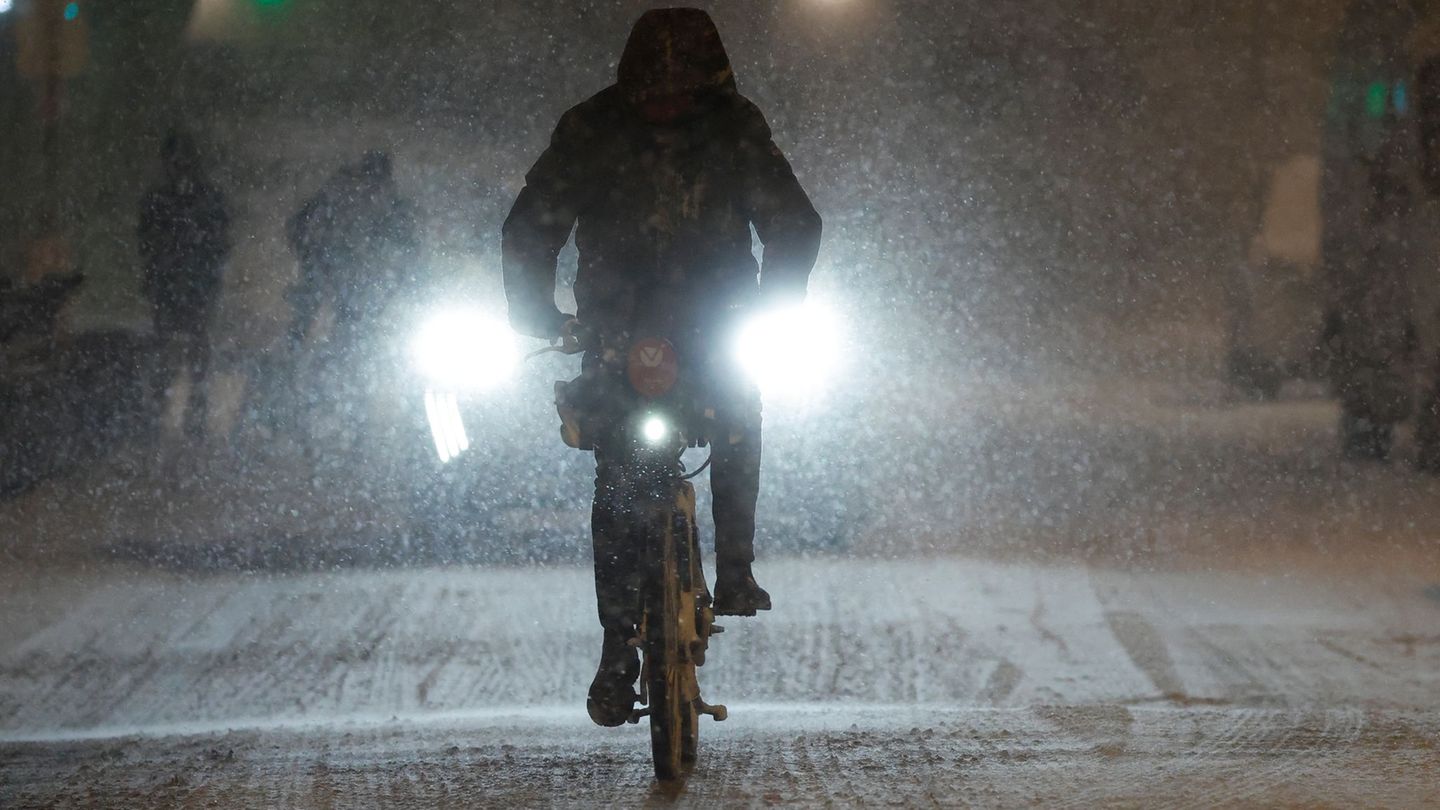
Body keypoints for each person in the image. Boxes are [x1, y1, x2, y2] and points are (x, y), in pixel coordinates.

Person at [501, 8, 821, 726]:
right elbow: (530, 230)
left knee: (730, 415)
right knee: (629, 473)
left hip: (705, 323)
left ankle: (733, 572)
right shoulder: (603, 129)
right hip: (628, 329)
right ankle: (622, 642)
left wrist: (771, 307)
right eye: (655, 87)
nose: (667, 99)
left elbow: (794, 223)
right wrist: (542, 317)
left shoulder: (722, 128)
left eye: (681, 86)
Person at [138, 129, 230, 438]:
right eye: (174, 160)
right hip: (171, 283)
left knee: (196, 346)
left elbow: (220, 243)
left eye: (183, 159)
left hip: (195, 283)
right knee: (166, 347)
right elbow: (147, 242)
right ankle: (161, 409)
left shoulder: (205, 199)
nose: (179, 166)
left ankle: (193, 407)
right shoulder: (160, 200)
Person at [286, 150, 419, 351]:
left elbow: (407, 246)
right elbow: (301, 226)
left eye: (378, 183)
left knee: (346, 320)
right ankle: (298, 346)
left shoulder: (389, 207)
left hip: (355, 280)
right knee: (311, 314)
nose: (371, 189)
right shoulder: (340, 194)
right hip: (333, 266)